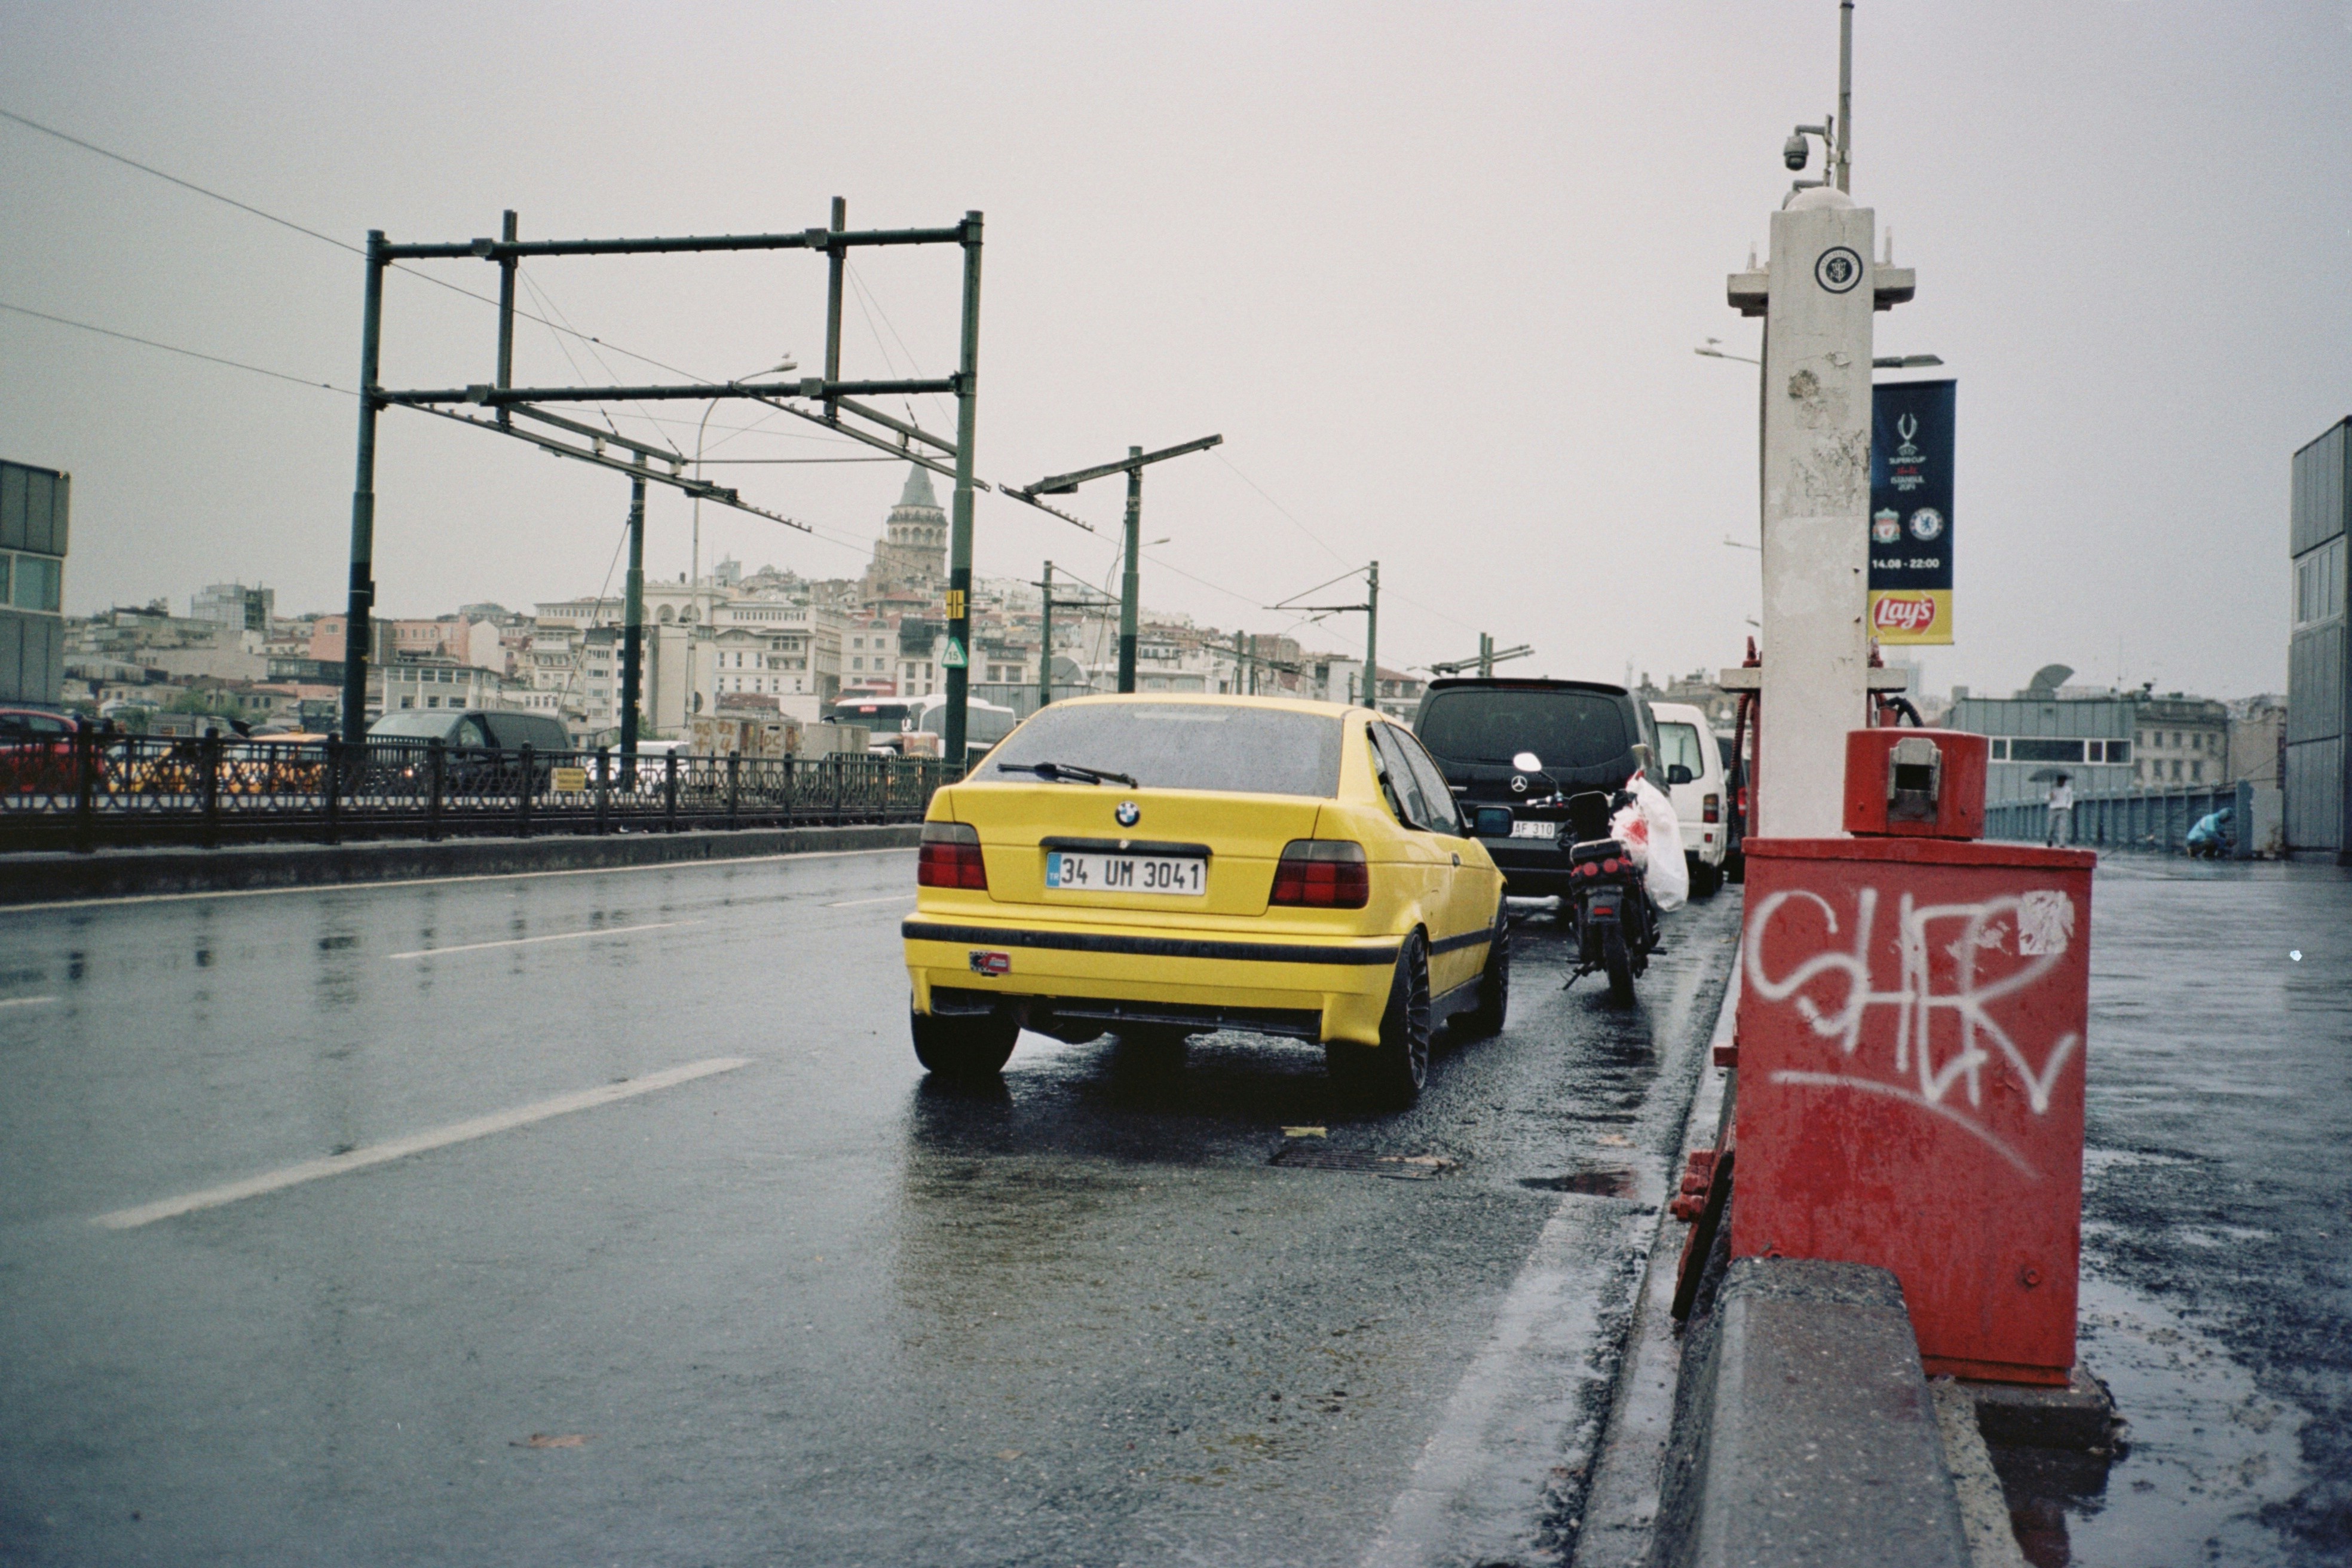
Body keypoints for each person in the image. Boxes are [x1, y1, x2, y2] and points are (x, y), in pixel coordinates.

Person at [2044, 772, 2074, 847]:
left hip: (2063, 809)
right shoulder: (2052, 788)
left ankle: (2062, 843)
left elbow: (2070, 799)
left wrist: (2068, 807)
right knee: (2051, 827)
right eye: (2061, 781)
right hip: (2053, 809)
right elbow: (2046, 798)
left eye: (2063, 781)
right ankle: (2050, 839)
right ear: (2058, 781)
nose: (2062, 782)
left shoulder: (2068, 789)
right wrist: (2050, 797)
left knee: (2063, 827)